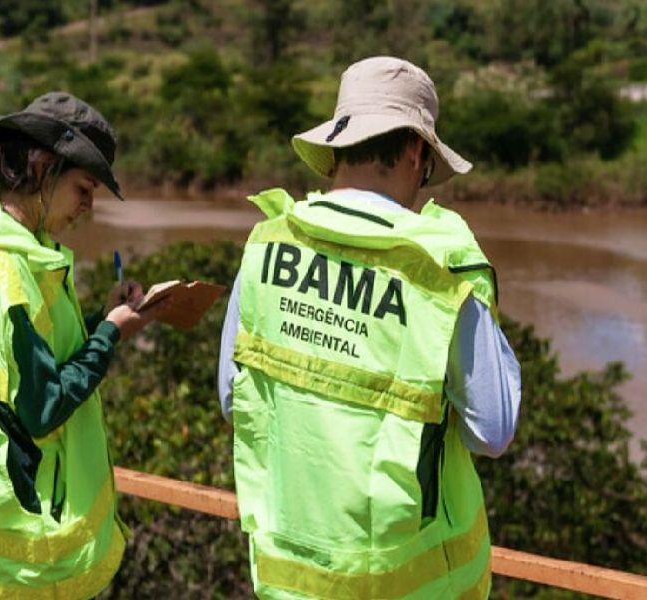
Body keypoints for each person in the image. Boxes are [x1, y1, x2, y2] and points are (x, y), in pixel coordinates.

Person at [218, 57, 521, 599]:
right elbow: (493, 430)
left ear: (336, 148)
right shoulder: (440, 264)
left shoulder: (266, 246)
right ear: (416, 153)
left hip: (290, 581)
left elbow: (231, 398)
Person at [0, 92, 167, 599]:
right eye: (83, 187)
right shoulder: (17, 274)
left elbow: (24, 364)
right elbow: (43, 406)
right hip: (39, 552)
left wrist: (103, 317)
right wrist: (110, 334)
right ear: (42, 168)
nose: (89, 206)